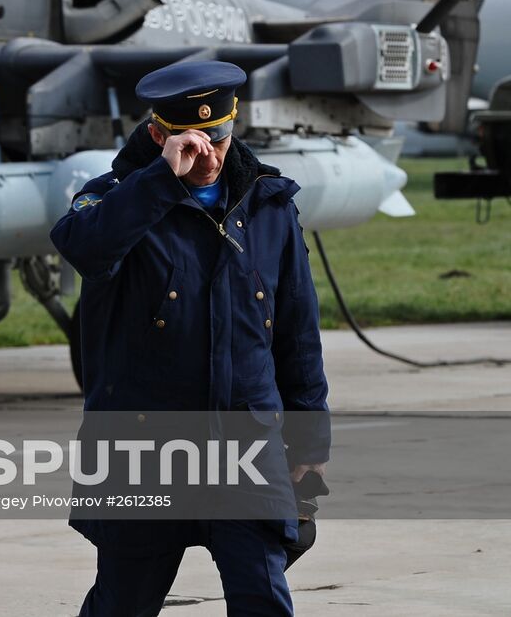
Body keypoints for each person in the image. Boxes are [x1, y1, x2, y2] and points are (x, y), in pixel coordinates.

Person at [49, 60, 330, 616]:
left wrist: (309, 443)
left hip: (246, 443)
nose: (210, 156)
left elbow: (297, 332)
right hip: (145, 450)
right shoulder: (113, 200)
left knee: (263, 598)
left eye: (220, 139)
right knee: (122, 603)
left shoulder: (268, 205)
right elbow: (84, 248)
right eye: (191, 143)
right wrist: (159, 179)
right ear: (158, 135)